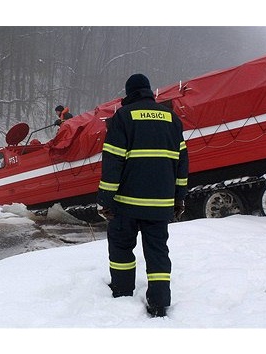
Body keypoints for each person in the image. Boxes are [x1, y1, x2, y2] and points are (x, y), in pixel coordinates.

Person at [96, 73, 189, 318]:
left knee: (121, 248)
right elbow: (181, 163)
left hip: (126, 204)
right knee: (157, 252)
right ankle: (159, 303)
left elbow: (113, 161)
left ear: (129, 93)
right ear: (149, 91)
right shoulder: (172, 119)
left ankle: (123, 291)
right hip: (160, 204)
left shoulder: (123, 117)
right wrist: (179, 197)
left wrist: (105, 199)